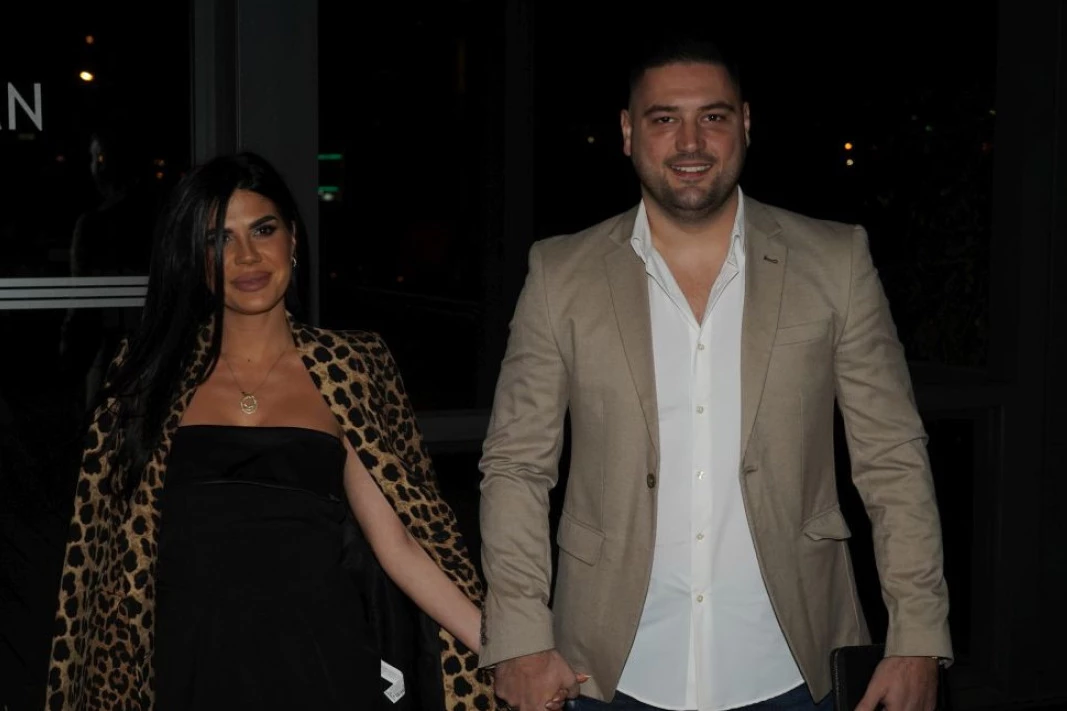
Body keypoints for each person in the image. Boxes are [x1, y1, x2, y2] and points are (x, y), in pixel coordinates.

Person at [478, 35, 952, 711]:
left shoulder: (835, 261)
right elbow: (517, 465)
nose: (690, 142)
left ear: (745, 123)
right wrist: (521, 635)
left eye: (713, 116)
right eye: (664, 118)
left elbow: (892, 457)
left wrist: (916, 636)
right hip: (608, 672)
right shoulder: (560, 274)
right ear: (628, 133)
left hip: (795, 667)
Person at [45, 152, 495, 711]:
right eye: (220, 239)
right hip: (188, 671)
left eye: (263, 229)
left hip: (324, 668)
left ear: (293, 240)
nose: (247, 256)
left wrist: (506, 652)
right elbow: (105, 570)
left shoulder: (351, 366)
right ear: (195, 259)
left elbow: (401, 544)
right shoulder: (146, 376)